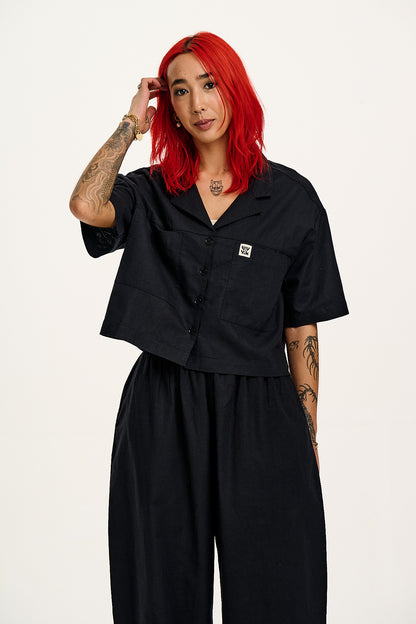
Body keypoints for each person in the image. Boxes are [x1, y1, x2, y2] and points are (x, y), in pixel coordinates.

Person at [69, 31, 349, 624]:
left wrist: (307, 432)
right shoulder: (150, 191)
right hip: (163, 405)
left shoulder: (293, 200)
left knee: (280, 585)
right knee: (158, 587)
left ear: (234, 89)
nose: (197, 103)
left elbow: (301, 329)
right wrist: (130, 125)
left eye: (209, 84)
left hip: (262, 410)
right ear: (167, 105)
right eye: (180, 91)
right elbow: (87, 206)